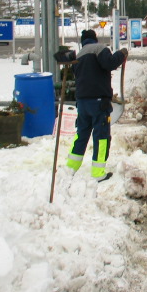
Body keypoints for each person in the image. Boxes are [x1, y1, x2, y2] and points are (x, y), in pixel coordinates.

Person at [54, 29, 128, 182]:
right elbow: (110, 63)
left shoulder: (79, 55)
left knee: (81, 134)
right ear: (95, 39)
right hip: (98, 102)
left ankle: (71, 167)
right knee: (101, 137)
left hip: (82, 102)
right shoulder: (99, 49)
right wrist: (121, 54)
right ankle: (98, 173)